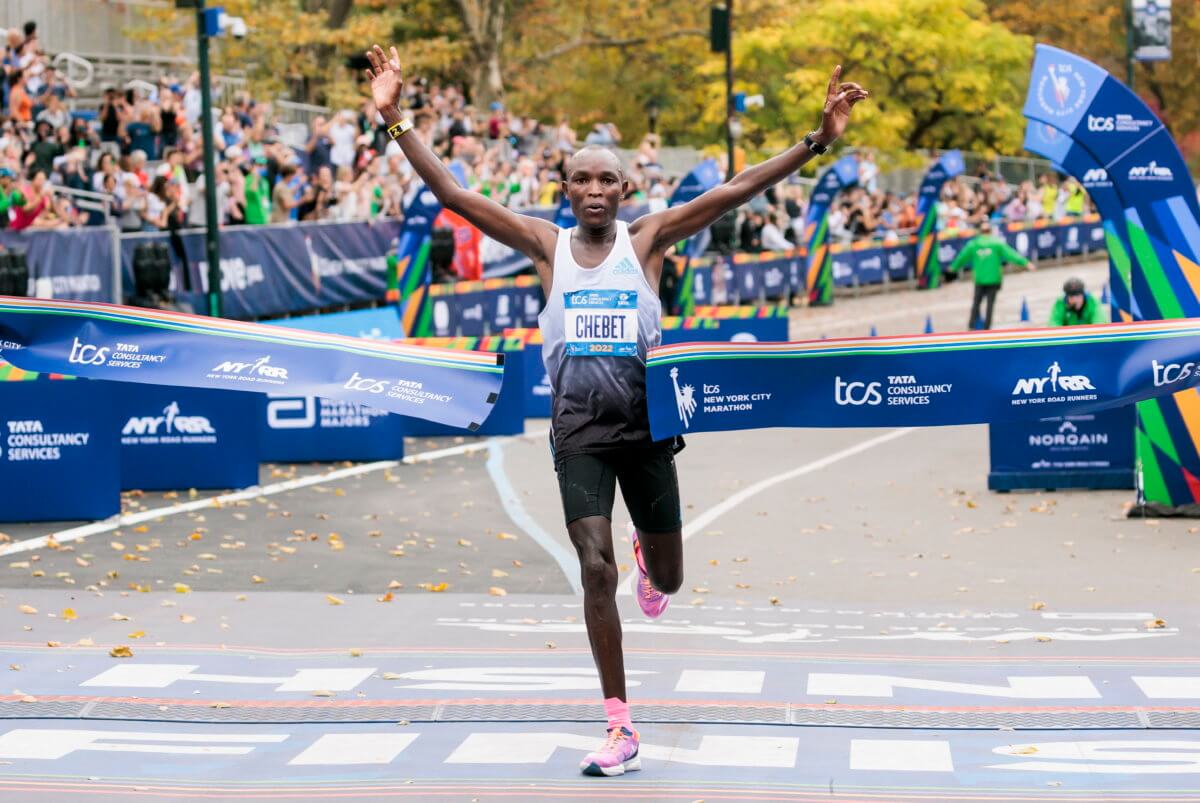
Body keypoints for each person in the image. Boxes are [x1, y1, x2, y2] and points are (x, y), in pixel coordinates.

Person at [364, 42, 868, 777]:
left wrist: (816, 140)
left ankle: (649, 561)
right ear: (565, 188)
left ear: (625, 187)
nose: (595, 190)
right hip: (580, 436)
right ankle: (620, 724)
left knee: (668, 579)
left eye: (607, 179)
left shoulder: (648, 239)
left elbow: (736, 188)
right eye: (581, 180)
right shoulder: (546, 246)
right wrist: (395, 119)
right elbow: (455, 196)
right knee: (592, 569)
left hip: (648, 430)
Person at [948, 219, 1033, 330]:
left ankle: (971, 325)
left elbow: (962, 257)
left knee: (976, 303)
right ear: (990, 231)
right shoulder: (996, 243)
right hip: (993, 279)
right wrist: (1026, 263)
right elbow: (1011, 254)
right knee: (990, 305)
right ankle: (987, 327)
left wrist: (953, 268)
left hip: (980, 279)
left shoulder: (974, 244)